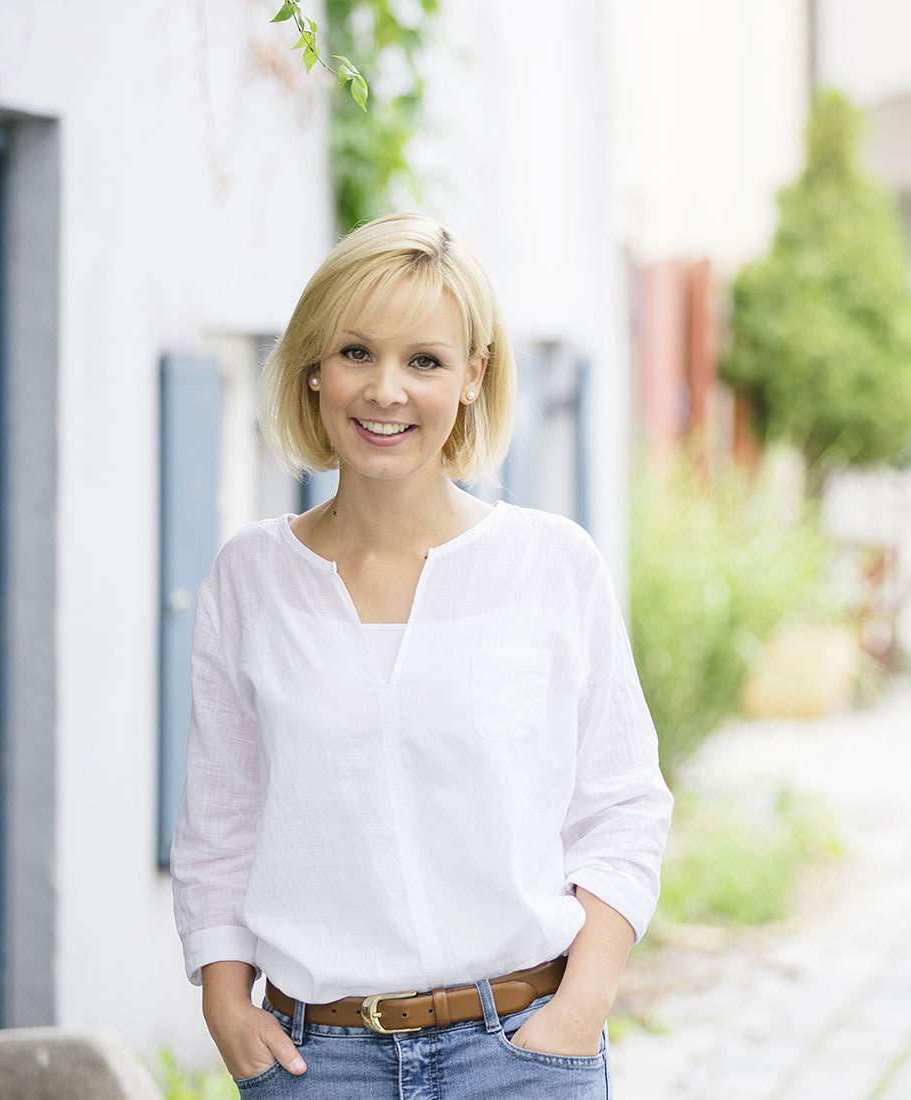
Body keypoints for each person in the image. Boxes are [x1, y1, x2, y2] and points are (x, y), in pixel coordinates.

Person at [170, 212, 672, 1098]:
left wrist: (578, 1011)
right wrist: (222, 997)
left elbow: (623, 807)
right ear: (315, 368)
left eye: (426, 361)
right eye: (357, 352)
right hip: (315, 1063)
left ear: (475, 375)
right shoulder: (250, 576)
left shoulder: (552, 566)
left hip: (522, 1055)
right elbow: (221, 820)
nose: (386, 390)